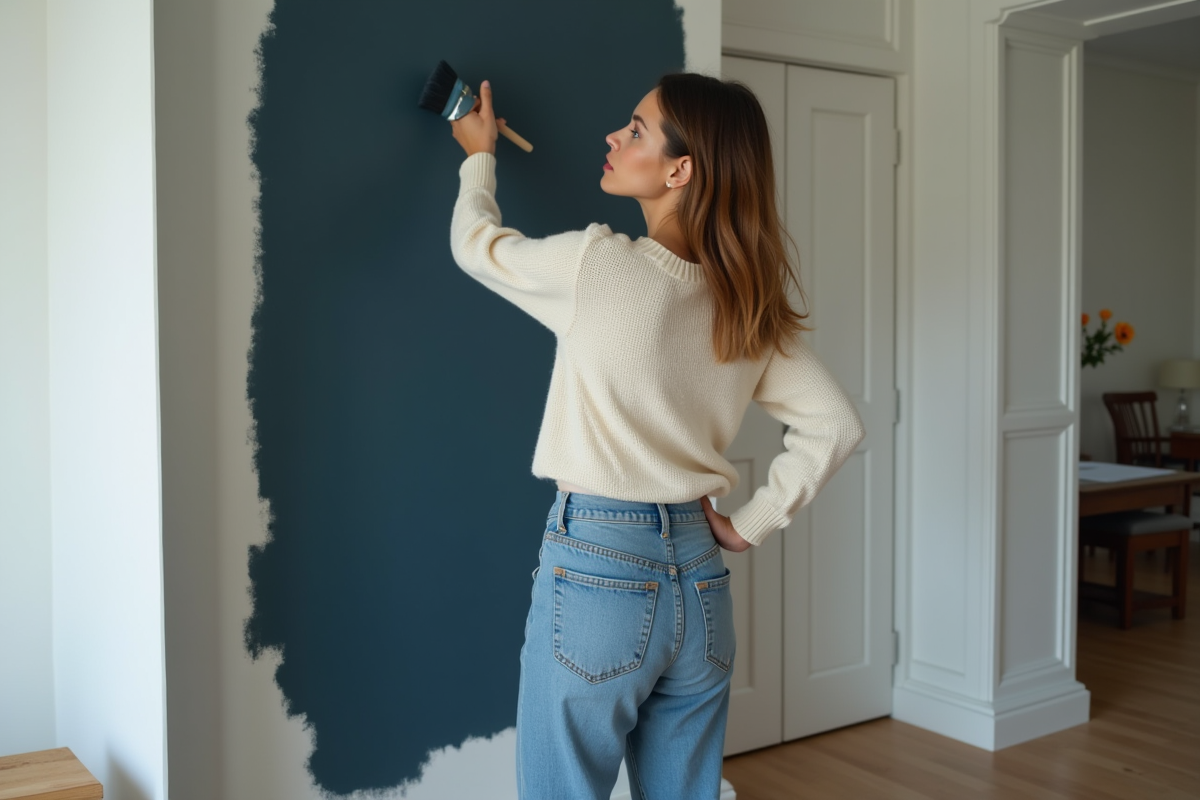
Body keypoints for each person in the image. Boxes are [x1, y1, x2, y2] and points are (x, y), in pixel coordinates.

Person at [446, 73, 864, 800]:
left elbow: (477, 246)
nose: (614, 136)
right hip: (701, 587)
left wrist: (478, 156)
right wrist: (749, 526)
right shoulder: (747, 298)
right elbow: (836, 423)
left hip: (599, 567)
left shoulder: (598, 264)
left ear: (681, 169)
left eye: (635, 129)